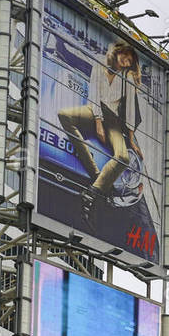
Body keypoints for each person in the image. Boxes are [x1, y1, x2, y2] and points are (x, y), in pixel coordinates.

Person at [57, 40, 144, 224]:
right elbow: (94, 94)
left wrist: (131, 139)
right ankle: (97, 175)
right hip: (95, 111)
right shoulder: (99, 62)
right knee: (64, 115)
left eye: (130, 61)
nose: (126, 62)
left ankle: (92, 192)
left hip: (114, 122)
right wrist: (97, 121)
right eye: (125, 57)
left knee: (123, 157)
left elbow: (129, 109)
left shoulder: (126, 77)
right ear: (118, 52)